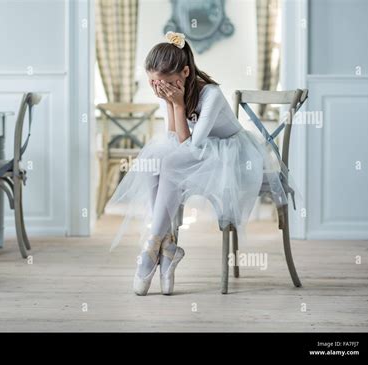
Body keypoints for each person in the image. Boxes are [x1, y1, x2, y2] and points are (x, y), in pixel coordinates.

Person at [107, 32, 296, 296]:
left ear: (185, 72)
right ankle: (166, 243)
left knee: (171, 164)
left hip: (232, 156)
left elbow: (191, 147)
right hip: (197, 151)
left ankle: (152, 245)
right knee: (154, 159)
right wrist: (169, 102)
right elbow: (173, 138)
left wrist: (178, 105)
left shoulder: (212, 94)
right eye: (155, 84)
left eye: (167, 83)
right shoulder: (168, 91)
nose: (162, 89)